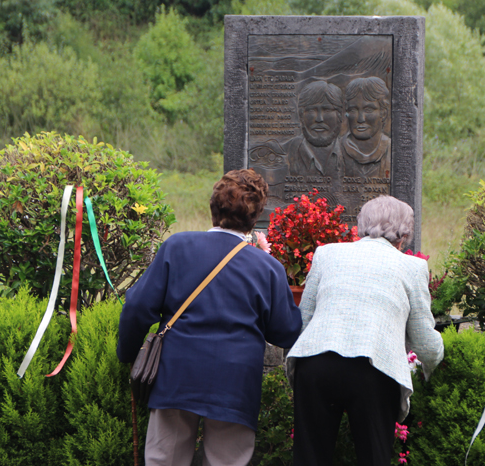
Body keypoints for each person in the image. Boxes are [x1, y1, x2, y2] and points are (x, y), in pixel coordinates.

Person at [117, 169, 302, 466]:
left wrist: (127, 355)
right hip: (235, 382)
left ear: (213, 209)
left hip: (175, 375)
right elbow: (286, 331)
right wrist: (268, 260)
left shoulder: (176, 247)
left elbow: (138, 307)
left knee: (164, 460)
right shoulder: (267, 268)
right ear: (254, 219)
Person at [286, 195, 444, 466]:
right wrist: (437, 359)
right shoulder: (412, 266)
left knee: (308, 458)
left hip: (316, 363)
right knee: (373, 458)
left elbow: (303, 319)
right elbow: (425, 343)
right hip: (374, 370)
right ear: (403, 236)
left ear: (360, 226)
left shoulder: (327, 253)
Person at [285, 80, 346, 178]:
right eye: (311, 110)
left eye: (327, 110)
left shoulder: (351, 155)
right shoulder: (285, 156)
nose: (319, 119)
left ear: (339, 115)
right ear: (301, 115)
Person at [340, 77, 391, 178]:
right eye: (353, 110)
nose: (360, 119)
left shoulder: (394, 151)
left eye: (368, 110)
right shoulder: (335, 152)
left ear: (383, 113)